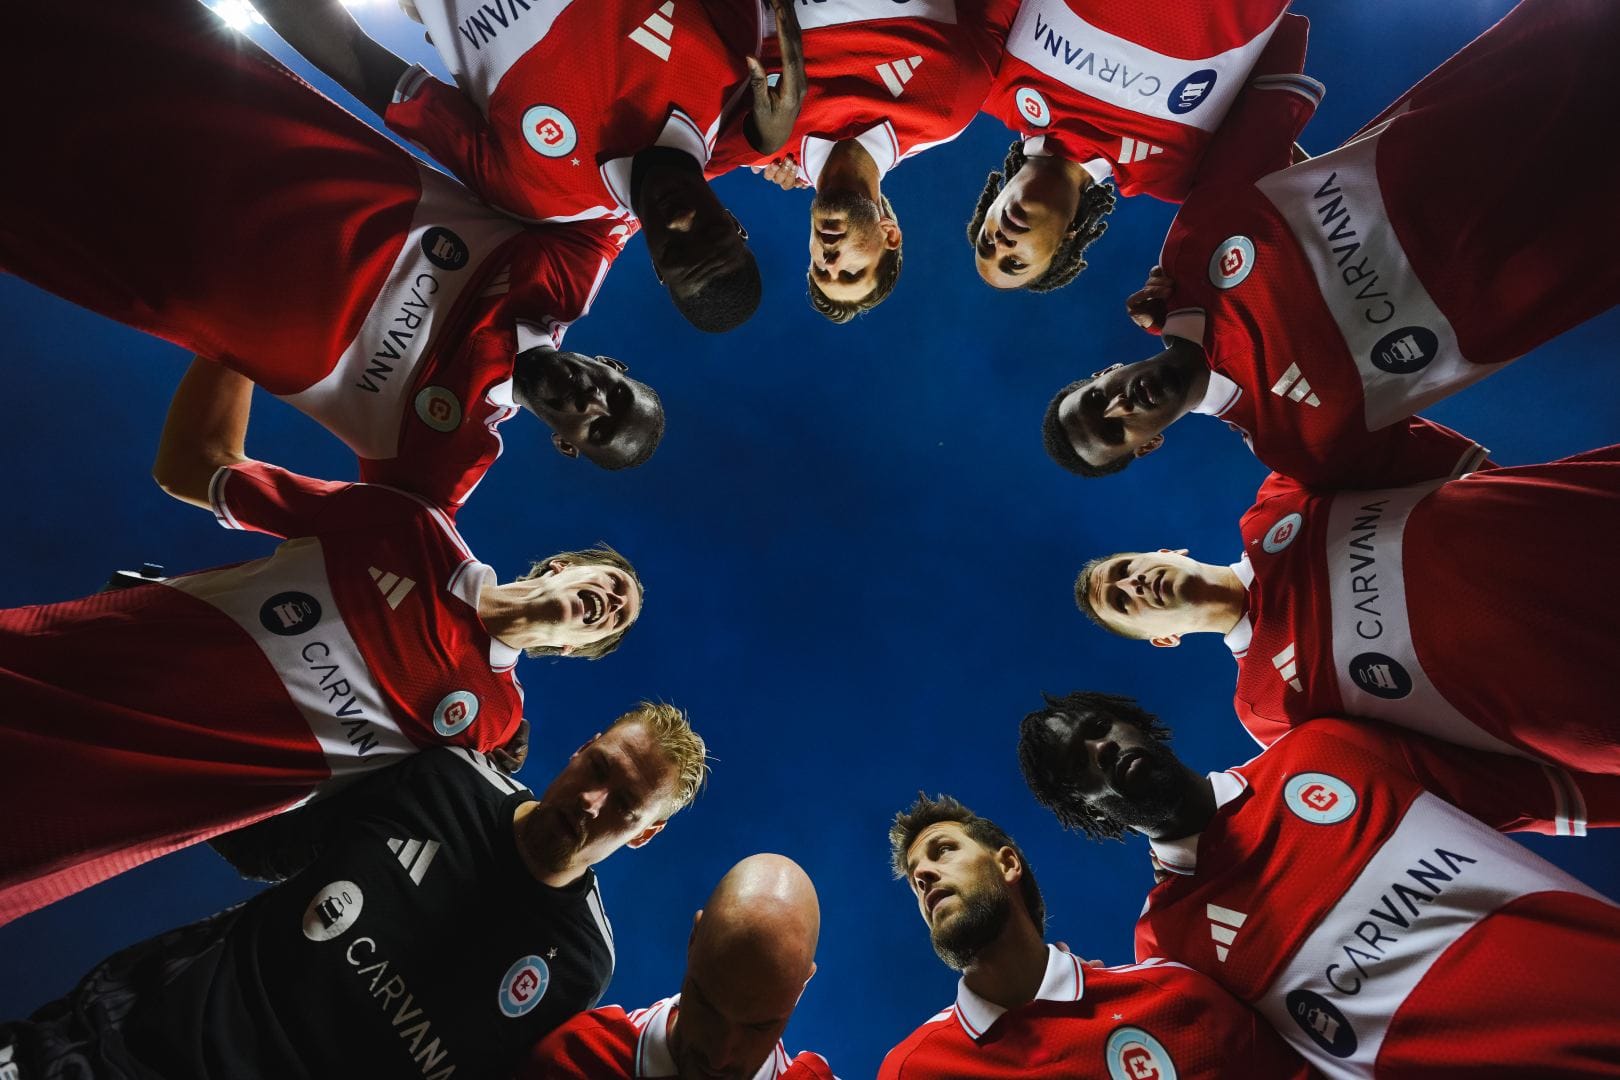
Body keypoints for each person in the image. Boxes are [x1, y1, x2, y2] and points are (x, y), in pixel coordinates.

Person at [0, 362, 644, 926]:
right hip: (56, 670)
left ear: (571, 650)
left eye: (614, 623)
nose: (611, 604)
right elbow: (195, 464)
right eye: (613, 586)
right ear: (562, 566)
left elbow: (318, 844)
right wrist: (242, 329)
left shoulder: (488, 729)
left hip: (97, 822)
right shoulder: (409, 528)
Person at [0, 0, 663, 508]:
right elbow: (631, 181)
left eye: (598, 429)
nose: (594, 402)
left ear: (566, 445)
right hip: (218, 114)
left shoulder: (442, 466)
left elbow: (192, 470)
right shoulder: (570, 265)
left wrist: (243, 337)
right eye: (616, 394)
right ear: (612, 365)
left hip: (136, 250)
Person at [1042, 0, 1619, 488]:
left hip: (1482, 122)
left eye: (1097, 398)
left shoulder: (1188, 254)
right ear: (1147, 446)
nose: (1119, 406)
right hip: (1557, 253)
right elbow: (1492, 507)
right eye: (1113, 430)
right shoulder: (1305, 452)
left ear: (1105, 371)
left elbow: (1261, 62)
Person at [0, 703, 709, 1079]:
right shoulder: (444, 777)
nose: (591, 801)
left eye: (624, 806)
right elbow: (264, 842)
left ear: (644, 834)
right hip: (126, 1044)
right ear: (583, 747)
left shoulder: (580, 966)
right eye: (598, 768)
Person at [1018, 691, 1620, 1076]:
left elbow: (1538, 792)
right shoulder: (1168, 944)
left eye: (1100, 726)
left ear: (1140, 723)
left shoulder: (1322, 748)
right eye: (1079, 763)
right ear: (1087, 810)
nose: (1102, 747)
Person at [253, 0, 810, 333]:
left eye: (677, 251)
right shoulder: (732, 56)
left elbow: (361, 63)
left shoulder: (535, 193)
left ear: (658, 268)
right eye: (709, 234)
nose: (682, 222)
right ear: (736, 225)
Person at [1074, 446, 1620, 774]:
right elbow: (1426, 775)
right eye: (1123, 601)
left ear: (1167, 551)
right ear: (1162, 640)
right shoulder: (1268, 711)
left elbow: (1401, 444)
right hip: (1591, 691)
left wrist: (1501, 512)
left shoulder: (1280, 501)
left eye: (1126, 568)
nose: (1135, 584)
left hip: (1586, 538)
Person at [879, 793, 1309, 1078]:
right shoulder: (914, 1068)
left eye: (943, 850)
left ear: (1008, 864)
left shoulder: (1175, 996)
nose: (924, 874)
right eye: (915, 878)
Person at [970, 1, 1318, 291]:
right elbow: (1289, 171)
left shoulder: (991, 80)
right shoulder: (1175, 176)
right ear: (1065, 242)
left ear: (991, 203)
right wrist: (1187, 307)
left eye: (986, 241)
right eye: (1015, 263)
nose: (1000, 244)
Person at [710, 0, 1021, 322]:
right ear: (890, 234)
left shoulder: (751, 138)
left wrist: (751, 149)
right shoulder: (946, 108)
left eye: (819, 269)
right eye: (851, 273)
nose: (830, 261)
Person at [525, 853, 834, 1080]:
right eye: (708, 1007)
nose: (719, 1056)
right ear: (693, 940)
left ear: (801, 988)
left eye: (757, 1027)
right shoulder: (572, 1062)